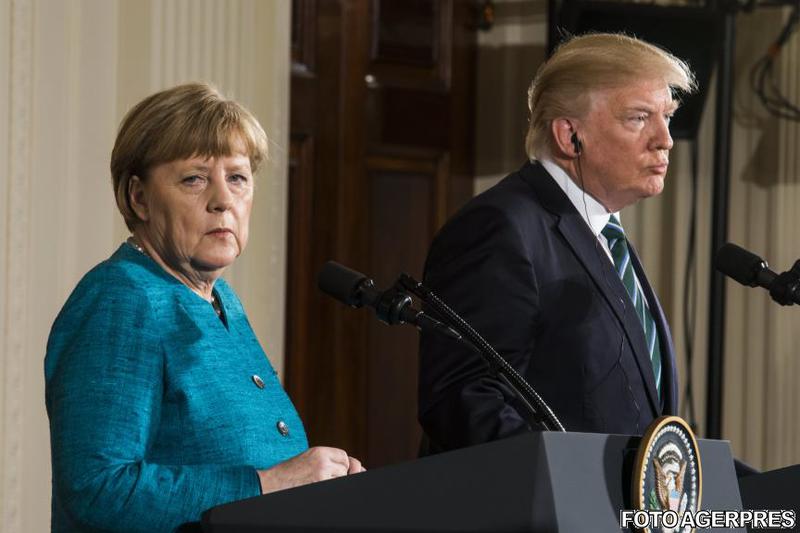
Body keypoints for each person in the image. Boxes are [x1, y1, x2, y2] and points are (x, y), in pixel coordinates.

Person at [45, 83, 364, 532]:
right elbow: (98, 488)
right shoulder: (120, 299)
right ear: (138, 197)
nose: (223, 200)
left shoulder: (219, 300)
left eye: (237, 177)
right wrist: (268, 483)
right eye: (195, 178)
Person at [418, 33, 696, 452]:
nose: (665, 139)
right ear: (570, 136)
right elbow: (464, 401)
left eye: (667, 116)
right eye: (639, 118)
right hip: (539, 512)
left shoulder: (605, 237)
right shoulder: (499, 228)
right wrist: (574, 494)